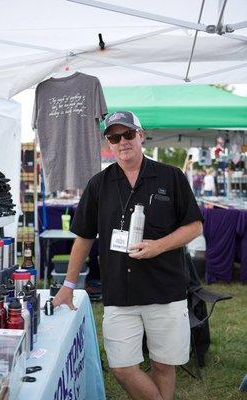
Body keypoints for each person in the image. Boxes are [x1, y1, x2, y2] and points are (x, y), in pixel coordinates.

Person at [53, 111, 203, 400]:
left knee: (163, 364)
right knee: (122, 367)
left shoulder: (171, 177)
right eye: (114, 137)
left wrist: (158, 246)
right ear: (109, 143)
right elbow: (84, 236)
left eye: (128, 134)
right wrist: (68, 286)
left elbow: (195, 225)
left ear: (141, 135)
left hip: (165, 289)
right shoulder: (99, 184)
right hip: (120, 292)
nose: (122, 142)